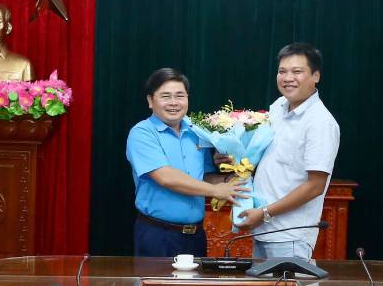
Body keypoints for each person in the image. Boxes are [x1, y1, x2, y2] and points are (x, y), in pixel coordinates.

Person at [125, 68, 248, 258]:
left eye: (180, 96)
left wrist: (230, 179)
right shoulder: (142, 133)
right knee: (155, 280)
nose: (174, 102)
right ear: (150, 100)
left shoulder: (197, 132)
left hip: (196, 235)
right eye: (166, 96)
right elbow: (166, 177)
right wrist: (216, 190)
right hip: (158, 235)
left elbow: (203, 177)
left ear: (187, 99)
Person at [236, 43, 340, 260]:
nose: (287, 78)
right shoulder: (278, 107)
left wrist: (265, 213)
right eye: (282, 71)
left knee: (290, 284)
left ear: (316, 76)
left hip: (290, 236)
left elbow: (315, 186)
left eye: (297, 71)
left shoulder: (320, 122)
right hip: (263, 230)